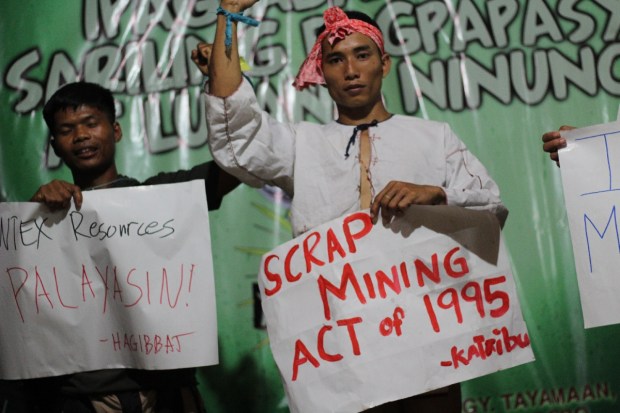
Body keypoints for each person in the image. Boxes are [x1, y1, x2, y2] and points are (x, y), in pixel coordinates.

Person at [194, 1, 508, 411]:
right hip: (340, 354)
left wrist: (436, 194)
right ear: (321, 72)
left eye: (362, 55)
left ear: (384, 64)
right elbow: (238, 129)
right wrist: (227, 14)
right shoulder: (302, 145)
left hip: (425, 350)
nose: (351, 70)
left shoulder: (434, 138)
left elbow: (491, 208)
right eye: (336, 59)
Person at [5, 81, 239, 413]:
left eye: (90, 123)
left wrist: (223, 82)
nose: (81, 136)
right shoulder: (42, 215)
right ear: (55, 146)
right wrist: (34, 211)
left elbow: (237, 167)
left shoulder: (163, 196)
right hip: (80, 398)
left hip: (166, 391)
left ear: (115, 130)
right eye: (67, 130)